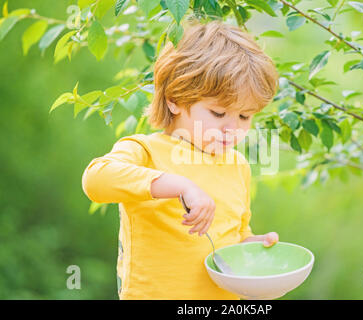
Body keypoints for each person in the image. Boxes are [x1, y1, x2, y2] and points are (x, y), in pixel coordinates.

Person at [81, 18, 280, 299]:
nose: (232, 128)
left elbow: (235, 235)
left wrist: (253, 247)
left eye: (245, 116)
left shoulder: (238, 166)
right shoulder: (146, 151)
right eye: (219, 113)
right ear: (174, 98)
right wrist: (180, 185)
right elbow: (96, 179)